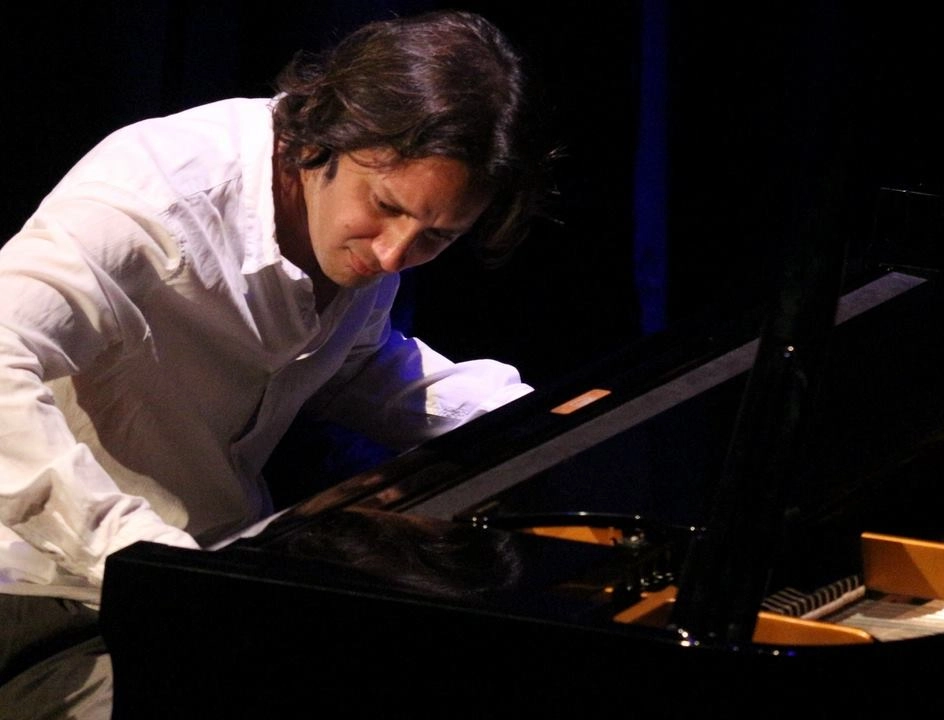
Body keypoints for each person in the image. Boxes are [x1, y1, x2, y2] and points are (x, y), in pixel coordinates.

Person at [0, 9, 552, 718]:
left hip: (205, 580)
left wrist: (527, 420)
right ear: (323, 138)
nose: (393, 255)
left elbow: (353, 363)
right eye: (384, 206)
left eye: (436, 238)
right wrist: (148, 560)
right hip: (40, 590)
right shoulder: (157, 197)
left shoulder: (358, 236)